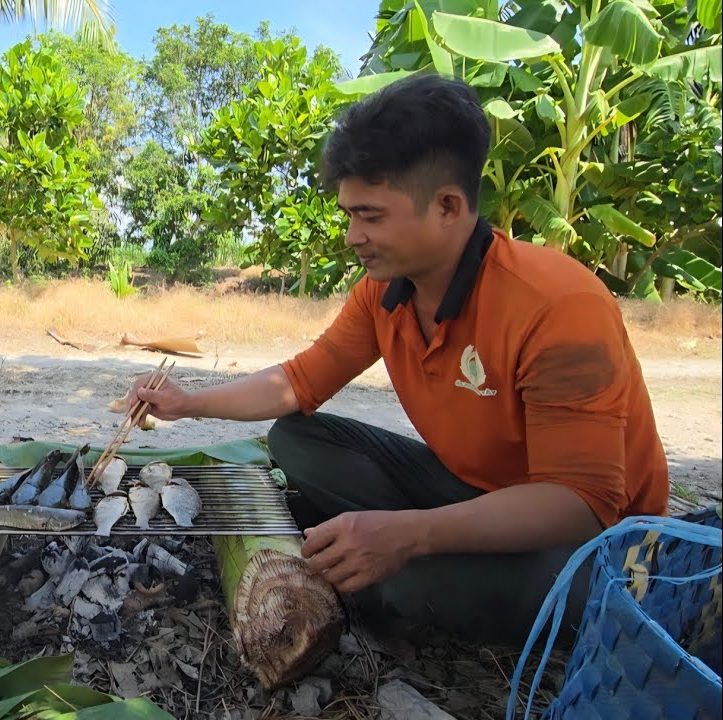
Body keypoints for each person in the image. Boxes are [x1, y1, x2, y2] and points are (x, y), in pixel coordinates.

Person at [125, 73, 669, 646]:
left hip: (602, 544)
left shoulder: (557, 304)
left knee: (410, 582)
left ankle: (416, 575)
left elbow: (580, 504)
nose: (353, 236)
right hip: (477, 495)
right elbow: (299, 381)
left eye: (372, 216)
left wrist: (409, 536)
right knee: (297, 439)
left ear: (448, 207)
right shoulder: (386, 292)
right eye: (349, 215)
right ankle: (408, 557)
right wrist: (187, 403)